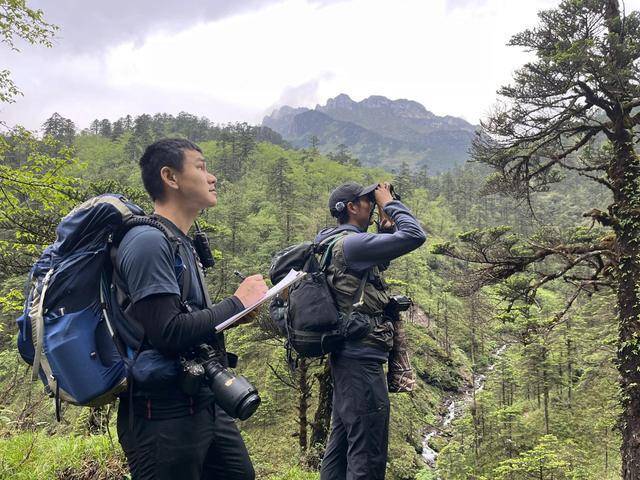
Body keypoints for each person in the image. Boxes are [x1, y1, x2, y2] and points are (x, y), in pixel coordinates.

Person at [115, 138, 267, 480]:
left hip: (203, 402)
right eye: (200, 167)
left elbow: (186, 322)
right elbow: (166, 332)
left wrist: (237, 315)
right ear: (170, 177)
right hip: (162, 417)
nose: (211, 177)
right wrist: (237, 302)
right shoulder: (147, 242)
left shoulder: (179, 241)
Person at [317, 181, 426, 480]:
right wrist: (389, 201)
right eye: (368, 200)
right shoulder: (352, 244)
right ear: (352, 207)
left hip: (348, 358)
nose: (372, 203)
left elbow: (383, 256)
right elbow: (415, 235)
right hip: (360, 361)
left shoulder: (337, 242)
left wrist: (386, 226)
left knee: (340, 449)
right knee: (368, 453)